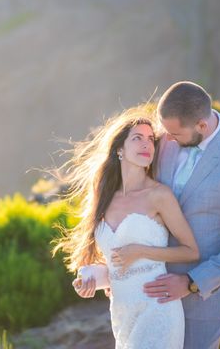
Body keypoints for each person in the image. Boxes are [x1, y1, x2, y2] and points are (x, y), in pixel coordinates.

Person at [53, 106, 200, 349]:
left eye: (151, 139)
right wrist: (91, 282)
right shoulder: (103, 197)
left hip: (157, 307)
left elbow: (191, 251)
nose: (146, 145)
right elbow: (115, 261)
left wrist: (141, 251)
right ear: (119, 148)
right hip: (122, 312)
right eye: (137, 138)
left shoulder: (159, 195)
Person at [142, 81, 220, 349]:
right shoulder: (166, 139)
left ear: (201, 125)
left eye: (175, 133)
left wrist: (191, 283)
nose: (167, 139)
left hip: (201, 307)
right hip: (148, 293)